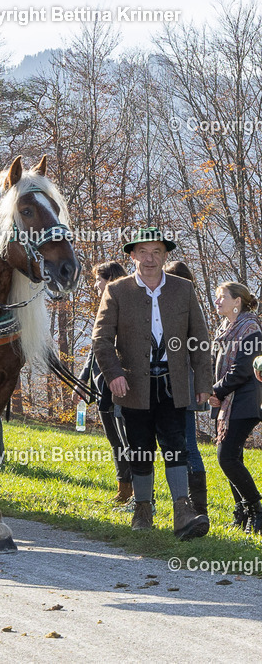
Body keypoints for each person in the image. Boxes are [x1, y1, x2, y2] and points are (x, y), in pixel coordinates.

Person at [92, 227, 213, 540]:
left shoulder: (183, 289)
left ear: (165, 255)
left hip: (173, 384)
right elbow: (101, 340)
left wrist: (203, 381)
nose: (149, 258)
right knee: (140, 449)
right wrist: (114, 373)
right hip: (133, 385)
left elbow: (199, 339)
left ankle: (183, 509)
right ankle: (143, 508)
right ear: (132, 255)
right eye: (143, 252)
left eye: (156, 252)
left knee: (176, 446)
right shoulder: (117, 291)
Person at [206, 281, 262, 533]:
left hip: (245, 401)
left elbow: (241, 371)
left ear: (237, 301)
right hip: (229, 402)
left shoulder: (250, 328)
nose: (217, 301)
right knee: (233, 456)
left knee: (226, 457)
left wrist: (216, 391)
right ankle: (242, 512)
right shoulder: (226, 327)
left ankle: (255, 508)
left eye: (222, 297)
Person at [76, 261, 132, 505]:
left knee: (126, 439)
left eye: (99, 279)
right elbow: (94, 351)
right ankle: (124, 488)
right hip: (101, 386)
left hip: (119, 385)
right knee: (114, 440)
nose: (96, 285)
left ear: (110, 279)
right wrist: (82, 380)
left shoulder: (124, 306)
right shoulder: (102, 307)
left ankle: (137, 492)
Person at [163, 260, 210, 516]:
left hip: (183, 383)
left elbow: (198, 347)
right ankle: (191, 503)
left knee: (188, 444)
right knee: (182, 442)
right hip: (175, 383)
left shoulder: (183, 307)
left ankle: (198, 506)